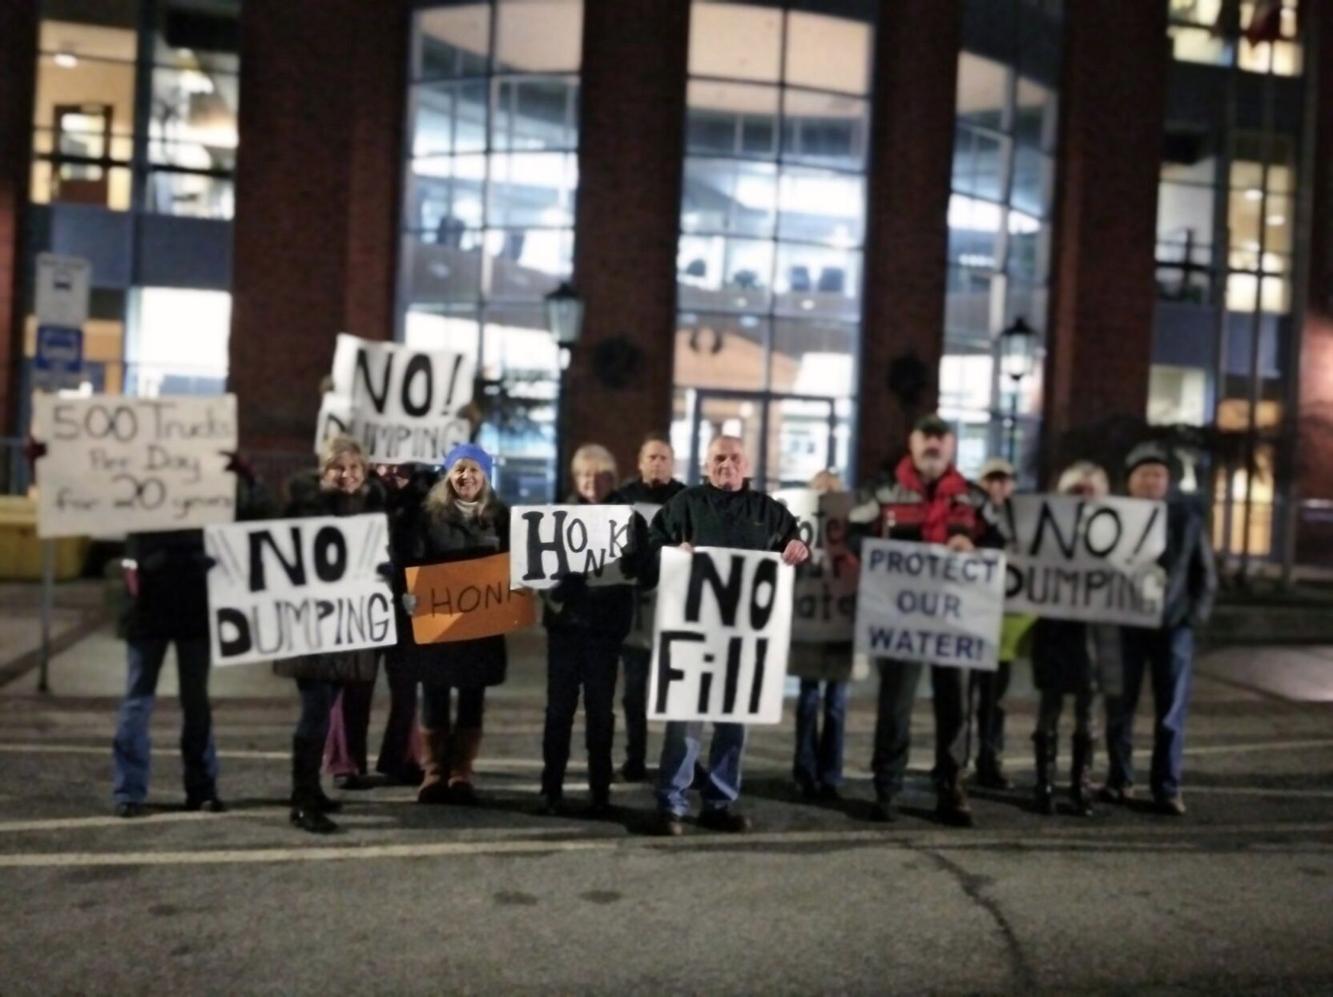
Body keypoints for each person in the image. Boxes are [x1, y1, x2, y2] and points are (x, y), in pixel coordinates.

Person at [647, 435, 810, 836]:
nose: (727, 465)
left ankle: (719, 803)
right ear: (705, 463)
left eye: (735, 458)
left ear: (748, 465)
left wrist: (797, 548)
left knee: (734, 724)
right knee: (685, 723)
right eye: (719, 458)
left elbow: (794, 549)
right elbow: (650, 545)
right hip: (693, 637)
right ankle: (672, 804)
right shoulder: (685, 505)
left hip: (742, 642)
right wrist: (670, 552)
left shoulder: (769, 512)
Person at [110, 453, 274, 818]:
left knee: (155, 699)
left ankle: (137, 792)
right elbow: (254, 516)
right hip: (167, 603)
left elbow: (256, 517)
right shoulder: (189, 490)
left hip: (179, 604)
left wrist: (248, 479)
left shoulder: (154, 486)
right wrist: (249, 479)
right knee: (171, 700)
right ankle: (189, 789)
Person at [849, 413, 985, 827]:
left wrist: (972, 545)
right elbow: (850, 531)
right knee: (895, 703)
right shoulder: (882, 489)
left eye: (941, 438)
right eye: (926, 436)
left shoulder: (973, 498)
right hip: (900, 614)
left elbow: (999, 543)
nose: (933, 444)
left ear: (952, 447)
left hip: (954, 617)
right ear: (912, 442)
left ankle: (952, 787)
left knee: (956, 706)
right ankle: (887, 788)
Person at [1102, 442, 1217, 816]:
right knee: (1120, 706)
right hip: (1125, 626)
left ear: (1167, 481)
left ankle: (1166, 787)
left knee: (1171, 711)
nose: (1152, 481)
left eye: (1159, 475)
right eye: (1144, 475)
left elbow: (1205, 573)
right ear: (1130, 482)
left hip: (1173, 627)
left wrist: (1191, 618)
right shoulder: (1113, 518)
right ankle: (1119, 780)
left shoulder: (1188, 518)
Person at [278, 436, 385, 834]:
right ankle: (302, 801)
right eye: (338, 468)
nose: (347, 475)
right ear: (324, 472)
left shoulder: (371, 509)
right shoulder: (307, 508)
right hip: (312, 627)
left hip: (346, 629)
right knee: (314, 714)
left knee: (324, 713)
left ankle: (311, 792)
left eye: (355, 468)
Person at [398, 443, 510, 806]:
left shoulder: (500, 516)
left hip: (481, 620)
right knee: (433, 690)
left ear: (486, 476)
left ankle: (461, 771)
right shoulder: (427, 516)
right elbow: (410, 560)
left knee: (472, 693)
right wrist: (408, 593)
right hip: (438, 617)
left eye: (475, 470)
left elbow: (516, 561)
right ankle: (434, 770)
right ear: (448, 475)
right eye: (459, 469)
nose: (467, 476)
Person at [539, 444, 641, 816]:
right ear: (574, 478)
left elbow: (641, 571)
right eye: (584, 475)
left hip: (604, 631)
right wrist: (562, 584)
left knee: (600, 712)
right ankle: (551, 788)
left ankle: (600, 789)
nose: (591, 483)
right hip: (566, 629)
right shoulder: (554, 517)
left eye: (599, 477)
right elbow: (539, 574)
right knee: (559, 712)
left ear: (611, 479)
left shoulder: (629, 519)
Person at [1030, 461, 1115, 818]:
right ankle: (1045, 785)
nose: (1082, 498)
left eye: (1089, 491)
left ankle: (1081, 787)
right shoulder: (1046, 531)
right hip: (1054, 629)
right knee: (1049, 708)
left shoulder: (1115, 534)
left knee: (1087, 711)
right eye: (1075, 491)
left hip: (1093, 633)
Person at [612, 433, 686, 782]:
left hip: (676, 610)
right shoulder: (622, 499)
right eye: (651, 457)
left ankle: (679, 758)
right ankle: (635, 756)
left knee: (679, 692)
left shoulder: (687, 499)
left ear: (673, 464)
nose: (657, 463)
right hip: (634, 610)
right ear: (640, 462)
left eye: (664, 458)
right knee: (634, 692)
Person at [967, 457, 1030, 790]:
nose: (997, 486)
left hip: (1004, 627)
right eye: (991, 480)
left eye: (1004, 480)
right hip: (969, 621)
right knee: (963, 697)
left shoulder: (1024, 522)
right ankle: (955, 761)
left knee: (995, 699)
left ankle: (990, 759)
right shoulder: (968, 516)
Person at [791, 469, 852, 801]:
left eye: (832, 492)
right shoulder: (802, 527)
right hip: (809, 626)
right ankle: (805, 772)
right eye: (820, 491)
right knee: (809, 700)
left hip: (840, 626)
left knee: (836, 704)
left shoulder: (850, 529)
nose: (826, 496)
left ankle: (829, 776)